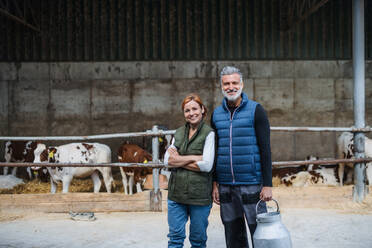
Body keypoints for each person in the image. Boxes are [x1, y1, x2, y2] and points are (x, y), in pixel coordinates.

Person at [211, 66, 273, 248]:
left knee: (259, 233)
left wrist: (268, 184)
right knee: (233, 235)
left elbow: (265, 149)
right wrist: (215, 183)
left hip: (252, 184)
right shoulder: (216, 114)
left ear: (242, 84)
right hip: (226, 187)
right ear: (221, 86)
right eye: (226, 83)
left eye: (234, 82)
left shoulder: (256, 110)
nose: (231, 87)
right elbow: (215, 151)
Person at [164, 93, 215, 248]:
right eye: (187, 110)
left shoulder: (209, 133)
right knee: (175, 238)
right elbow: (167, 161)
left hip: (199, 196)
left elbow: (207, 166)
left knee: (198, 240)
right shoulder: (178, 132)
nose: (191, 113)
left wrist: (179, 159)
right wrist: (196, 158)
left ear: (202, 109)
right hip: (176, 195)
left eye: (194, 108)